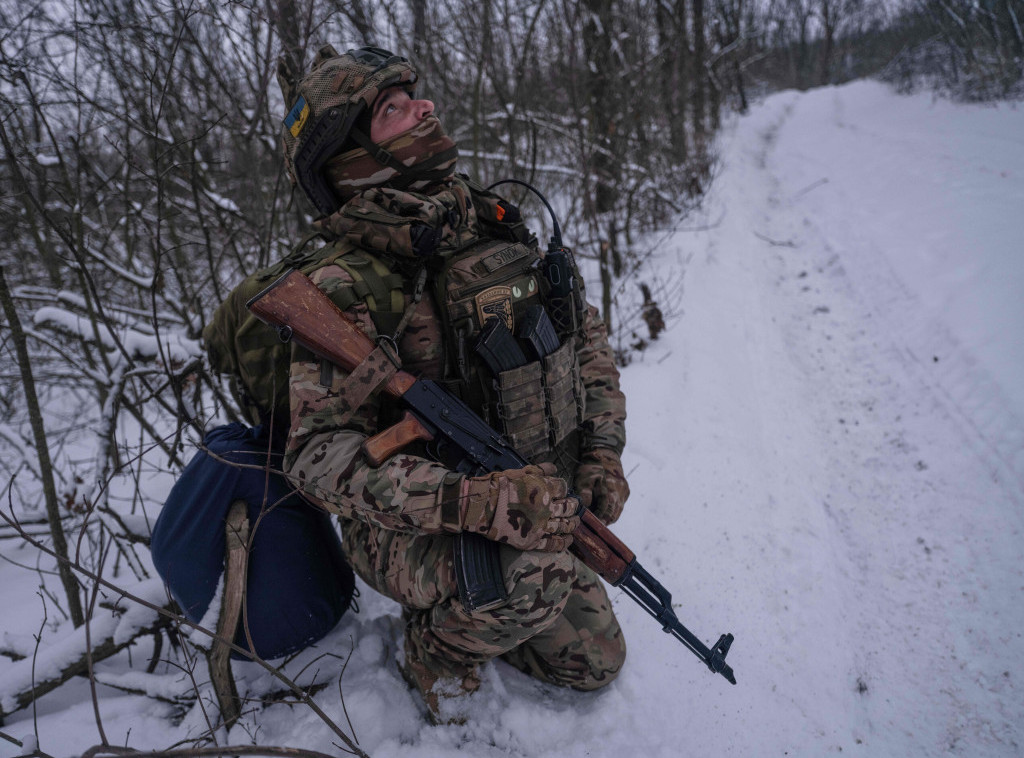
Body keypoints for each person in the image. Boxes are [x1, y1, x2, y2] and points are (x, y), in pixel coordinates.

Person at [205, 45, 630, 723]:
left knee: (594, 661)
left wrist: (602, 452)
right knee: (535, 580)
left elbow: (586, 342)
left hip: (518, 486)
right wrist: (473, 501)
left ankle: (505, 589)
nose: (425, 106)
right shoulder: (346, 285)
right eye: (393, 108)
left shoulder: (494, 223)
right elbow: (318, 459)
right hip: (405, 524)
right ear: (347, 155)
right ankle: (437, 655)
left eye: (415, 95)